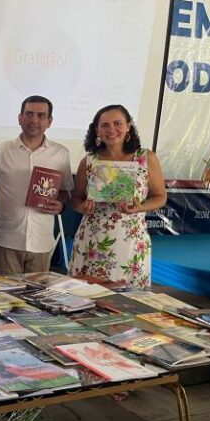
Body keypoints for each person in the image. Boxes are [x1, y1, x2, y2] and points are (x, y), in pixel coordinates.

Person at [69, 104, 166, 289]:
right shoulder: (89, 161)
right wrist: (82, 207)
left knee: (128, 299)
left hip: (130, 240)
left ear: (128, 126)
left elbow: (160, 197)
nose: (111, 130)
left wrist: (139, 207)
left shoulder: (146, 158)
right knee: (86, 297)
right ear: (97, 130)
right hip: (92, 239)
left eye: (117, 123)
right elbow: (77, 199)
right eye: (105, 125)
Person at [0, 95, 73, 275]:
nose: (34, 120)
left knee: (36, 299)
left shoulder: (61, 153)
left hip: (41, 240)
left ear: (49, 121)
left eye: (41, 115)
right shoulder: (2, 150)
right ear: (20, 118)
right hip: (7, 239)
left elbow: (64, 192)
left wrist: (61, 205)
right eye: (29, 114)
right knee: (4, 299)